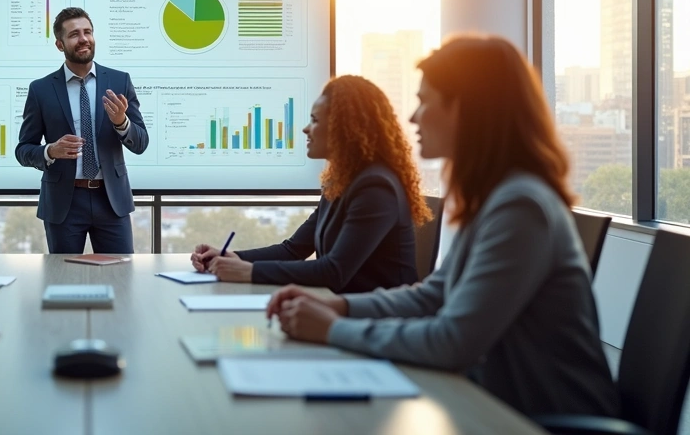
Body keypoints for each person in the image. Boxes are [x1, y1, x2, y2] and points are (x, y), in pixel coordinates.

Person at [267, 35, 620, 418]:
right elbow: (433, 295)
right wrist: (338, 305)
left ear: (466, 109)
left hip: (547, 420)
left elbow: (454, 340)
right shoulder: (495, 198)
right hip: (499, 405)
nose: (413, 117)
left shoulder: (521, 206)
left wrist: (332, 328)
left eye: (425, 101)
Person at [191, 75, 427, 292]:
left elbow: (333, 272)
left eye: (314, 120)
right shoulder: (342, 180)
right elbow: (293, 249)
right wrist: (234, 258)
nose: (305, 129)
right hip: (340, 307)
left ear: (344, 128)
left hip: (378, 317)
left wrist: (249, 272)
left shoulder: (375, 187)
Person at [15, 7, 149, 253]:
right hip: (63, 203)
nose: (84, 38)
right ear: (60, 44)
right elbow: (23, 150)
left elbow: (141, 143)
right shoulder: (41, 89)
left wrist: (121, 122)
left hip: (111, 200)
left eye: (88, 32)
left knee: (120, 272)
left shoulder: (119, 81)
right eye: (74, 34)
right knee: (63, 274)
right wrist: (50, 151)